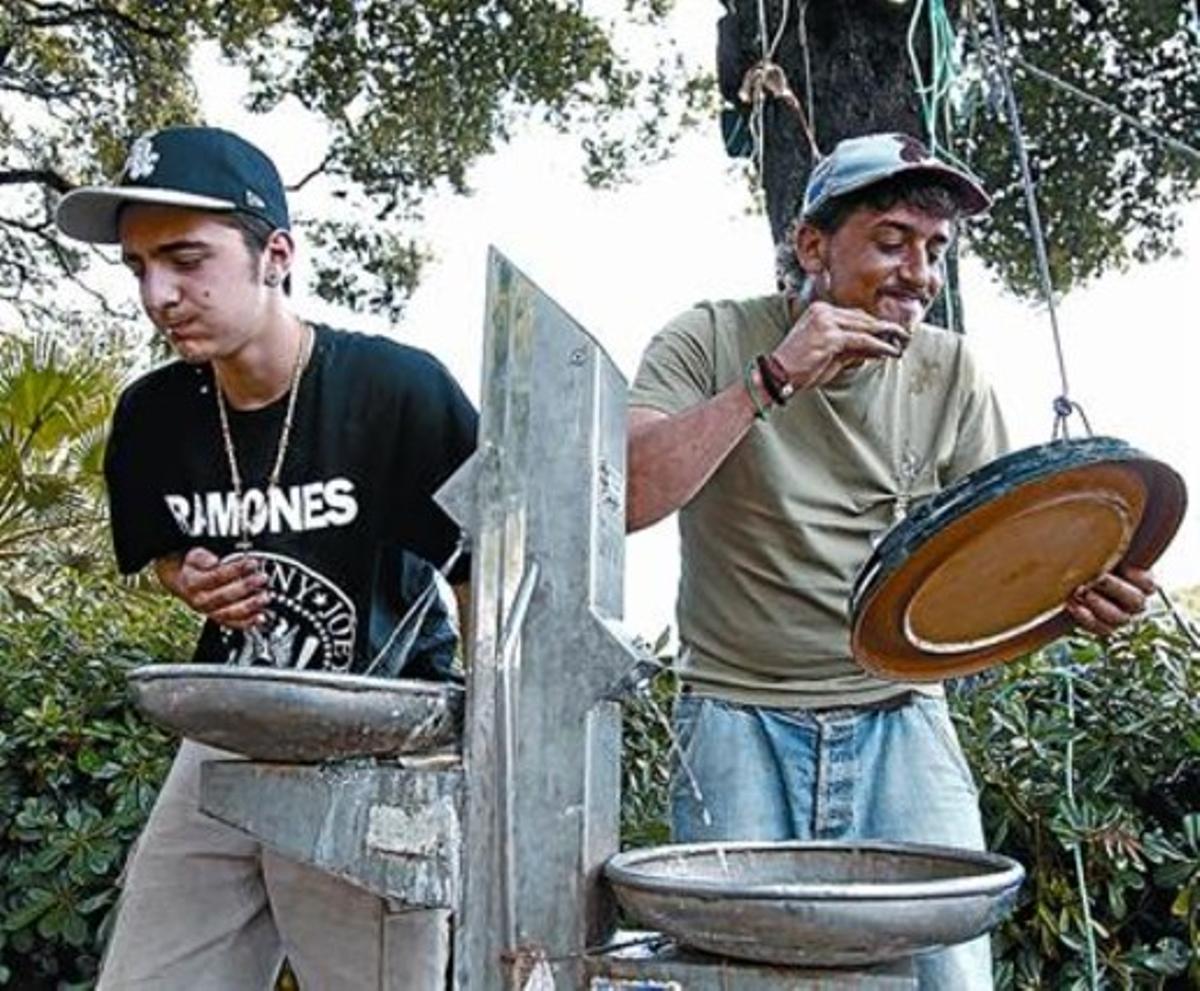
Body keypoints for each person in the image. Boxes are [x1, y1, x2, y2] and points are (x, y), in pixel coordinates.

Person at [625, 132, 1153, 989]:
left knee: (951, 976)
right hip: (735, 712)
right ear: (811, 247)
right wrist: (770, 379)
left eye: (936, 249)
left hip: (902, 712)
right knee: (742, 977)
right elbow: (628, 496)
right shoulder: (713, 337)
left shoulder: (952, 373)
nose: (919, 272)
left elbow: (1000, 569)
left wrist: (1079, 598)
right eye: (892, 240)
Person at [55, 125, 477, 990]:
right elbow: (169, 554)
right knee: (146, 976)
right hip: (229, 728)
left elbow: (490, 572)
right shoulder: (152, 415)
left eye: (186, 259)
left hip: (377, 740)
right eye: (138, 269)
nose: (160, 295)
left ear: (275, 254)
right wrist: (195, 583)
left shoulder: (399, 390)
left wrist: (478, 750)